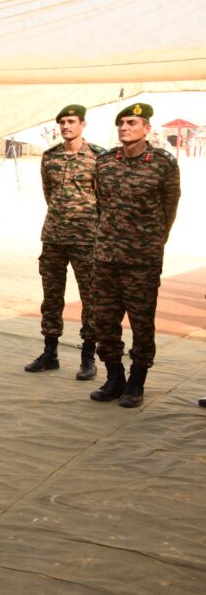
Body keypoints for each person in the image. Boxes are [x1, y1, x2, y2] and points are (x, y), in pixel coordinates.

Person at [90, 103, 180, 408]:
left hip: (142, 261)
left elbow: (169, 209)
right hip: (106, 258)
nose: (125, 128)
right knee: (104, 322)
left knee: (141, 324)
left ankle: (137, 380)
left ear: (147, 129)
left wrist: (151, 244)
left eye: (132, 122)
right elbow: (101, 205)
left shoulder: (162, 163)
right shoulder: (104, 163)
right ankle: (114, 377)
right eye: (121, 123)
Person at [24, 105, 105, 380]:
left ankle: (88, 358)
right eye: (62, 122)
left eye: (71, 121)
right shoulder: (50, 157)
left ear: (83, 124)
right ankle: (50, 353)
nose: (66, 126)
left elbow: (103, 198)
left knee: (91, 299)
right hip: (54, 238)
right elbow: (49, 194)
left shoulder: (99, 157)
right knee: (51, 298)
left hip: (86, 240)